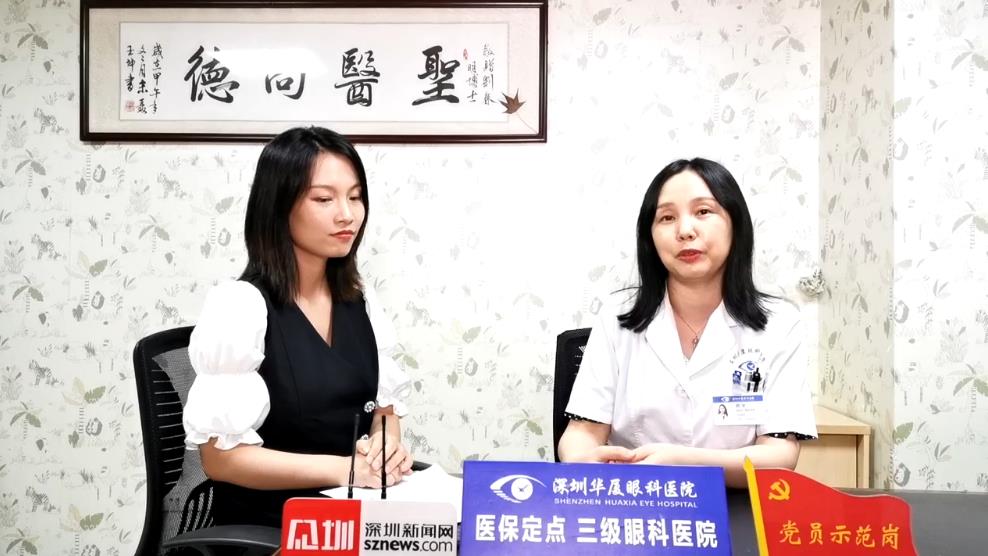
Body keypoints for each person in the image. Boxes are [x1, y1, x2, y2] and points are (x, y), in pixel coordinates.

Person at [182, 126, 413, 527]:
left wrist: (385, 445)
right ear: (278, 205)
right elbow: (220, 460)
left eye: (355, 197)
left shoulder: (360, 301)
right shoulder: (240, 306)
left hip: (348, 514)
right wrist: (344, 470)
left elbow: (384, 412)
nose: (347, 214)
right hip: (272, 525)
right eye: (324, 199)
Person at [557, 157, 816, 488]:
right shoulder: (617, 316)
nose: (685, 230)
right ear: (650, 237)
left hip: (735, 504)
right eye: (667, 217)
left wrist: (683, 462)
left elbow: (779, 455)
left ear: (735, 223)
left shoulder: (779, 324)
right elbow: (582, 433)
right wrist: (582, 461)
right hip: (636, 500)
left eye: (703, 211)